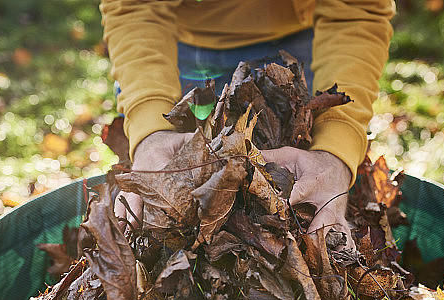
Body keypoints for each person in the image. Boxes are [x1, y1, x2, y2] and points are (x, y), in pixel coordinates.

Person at [100, 0, 395, 241]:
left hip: (308, 38)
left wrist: (334, 150)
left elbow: (356, 9)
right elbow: (135, 5)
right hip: (177, 46)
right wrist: (151, 131)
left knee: (314, 198)